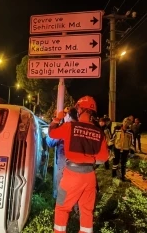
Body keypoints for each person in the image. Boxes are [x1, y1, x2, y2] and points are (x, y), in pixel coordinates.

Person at [49, 96, 108, 233]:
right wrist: (90, 160)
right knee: (87, 211)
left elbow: (52, 134)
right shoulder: (99, 132)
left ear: (80, 109)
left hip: (72, 175)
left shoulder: (70, 126)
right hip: (89, 176)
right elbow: (104, 157)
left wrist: (57, 119)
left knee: (62, 208)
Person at [46, 108, 78, 199]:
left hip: (64, 164)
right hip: (79, 166)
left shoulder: (66, 128)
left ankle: (62, 205)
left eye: (65, 114)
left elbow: (50, 142)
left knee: (63, 191)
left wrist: (56, 121)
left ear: (68, 116)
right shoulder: (81, 127)